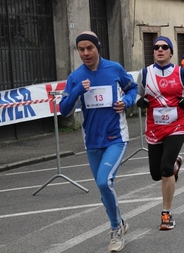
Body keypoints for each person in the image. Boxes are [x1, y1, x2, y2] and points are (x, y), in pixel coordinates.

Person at [59, 31, 138, 252]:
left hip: (116, 137)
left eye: (89, 48)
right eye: (81, 49)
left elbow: (132, 88)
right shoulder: (75, 76)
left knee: (105, 182)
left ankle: (115, 230)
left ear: (97, 48)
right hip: (92, 141)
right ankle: (121, 223)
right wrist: (76, 90)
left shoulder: (114, 69)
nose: (85, 53)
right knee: (103, 189)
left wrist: (127, 102)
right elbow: (64, 110)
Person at [136, 36, 184, 231]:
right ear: (153, 52)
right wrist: (139, 101)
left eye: (165, 47)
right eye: (157, 47)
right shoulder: (145, 74)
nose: (160, 50)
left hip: (177, 126)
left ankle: (166, 213)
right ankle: (176, 164)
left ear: (171, 52)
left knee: (165, 169)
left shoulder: (181, 72)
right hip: (154, 128)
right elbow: (137, 94)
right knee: (156, 174)